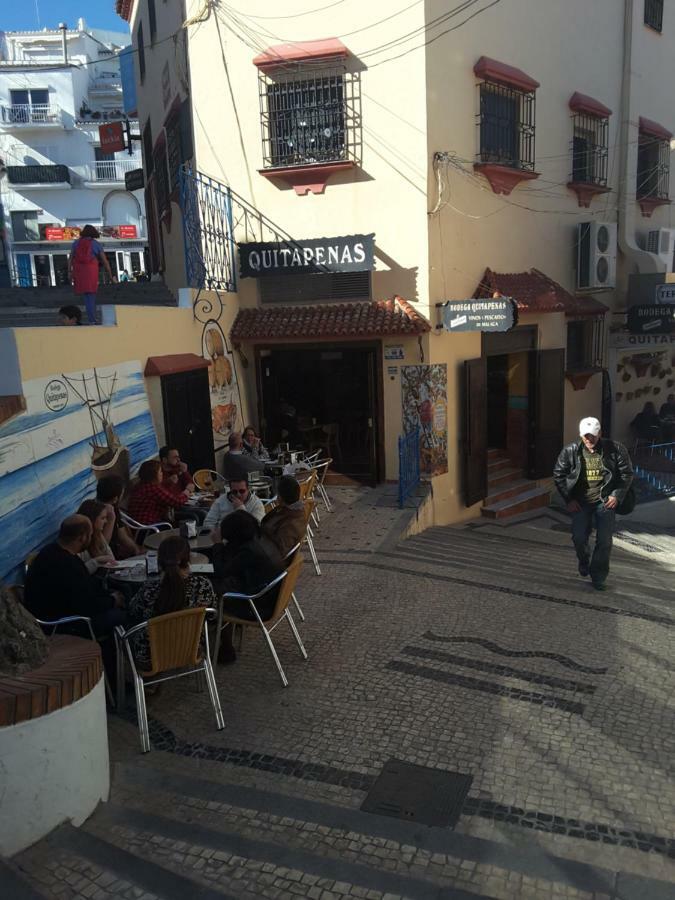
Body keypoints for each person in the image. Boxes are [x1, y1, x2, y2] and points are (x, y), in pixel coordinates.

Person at [553, 417, 634, 591]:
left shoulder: (615, 449)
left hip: (605, 502)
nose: (589, 440)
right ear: (581, 435)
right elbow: (559, 475)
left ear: (600, 434)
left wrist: (616, 495)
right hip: (581, 502)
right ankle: (584, 559)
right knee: (579, 537)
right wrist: (569, 499)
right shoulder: (571, 450)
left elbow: (626, 474)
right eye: (585, 436)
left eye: (593, 436)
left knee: (604, 541)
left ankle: (598, 576)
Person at [24, 515, 126, 635]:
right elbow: (86, 605)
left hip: (58, 614)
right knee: (122, 615)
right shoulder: (68, 566)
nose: (91, 538)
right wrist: (113, 600)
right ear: (82, 537)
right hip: (63, 624)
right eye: (90, 535)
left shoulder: (50, 551)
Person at [127, 536, 216, 669]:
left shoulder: (150, 589)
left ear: (159, 560)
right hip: (191, 648)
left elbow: (134, 612)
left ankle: (142, 681)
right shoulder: (203, 585)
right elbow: (212, 615)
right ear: (188, 559)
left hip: (150, 656)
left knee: (123, 627)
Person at [211, 510, 284, 662]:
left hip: (257, 606)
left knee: (215, 589)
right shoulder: (263, 537)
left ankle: (225, 647)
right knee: (224, 584)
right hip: (271, 596)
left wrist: (217, 544)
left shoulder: (249, 551)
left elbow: (221, 571)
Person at [68, 224, 115, 324]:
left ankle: (92, 318)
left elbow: (71, 258)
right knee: (91, 295)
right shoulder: (95, 244)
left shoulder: (76, 243)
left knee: (86, 296)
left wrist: (70, 272)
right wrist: (110, 275)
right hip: (91, 271)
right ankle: (92, 319)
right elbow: (105, 261)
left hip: (79, 271)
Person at [128, 459, 189, 526]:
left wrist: (168, 484)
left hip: (142, 524)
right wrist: (187, 491)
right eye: (160, 472)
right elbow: (177, 502)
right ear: (154, 474)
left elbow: (165, 495)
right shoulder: (152, 488)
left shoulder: (141, 485)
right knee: (192, 518)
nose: (162, 474)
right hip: (150, 526)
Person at [96, 474, 141, 559]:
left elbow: (122, 536)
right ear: (115, 499)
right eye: (122, 494)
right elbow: (103, 547)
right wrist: (111, 519)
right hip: (105, 559)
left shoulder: (114, 508)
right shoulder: (96, 513)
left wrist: (136, 550)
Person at [261, 475, 306, 558]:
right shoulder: (294, 512)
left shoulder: (290, 523)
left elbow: (279, 553)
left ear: (280, 497)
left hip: (267, 561)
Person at [76, 499, 116, 573]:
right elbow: (78, 573)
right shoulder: (79, 542)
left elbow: (111, 558)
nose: (106, 521)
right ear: (92, 519)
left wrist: (112, 518)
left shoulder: (98, 535)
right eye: (102, 518)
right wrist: (96, 562)